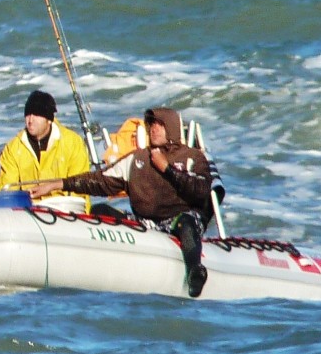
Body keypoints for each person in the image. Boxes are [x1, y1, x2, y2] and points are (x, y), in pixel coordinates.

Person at [29, 106, 218, 298]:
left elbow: (201, 191)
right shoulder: (138, 159)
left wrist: (167, 169)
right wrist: (57, 184)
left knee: (187, 223)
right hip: (146, 221)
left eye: (160, 125)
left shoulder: (192, 157)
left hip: (181, 218)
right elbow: (100, 180)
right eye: (151, 124)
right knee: (100, 210)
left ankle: (195, 271)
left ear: (171, 127)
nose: (153, 129)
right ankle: (82, 265)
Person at [0, 90, 91, 196]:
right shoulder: (13, 148)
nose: (30, 120)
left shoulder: (73, 143)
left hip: (66, 207)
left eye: (37, 115)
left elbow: (80, 188)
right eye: (28, 114)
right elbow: (6, 191)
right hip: (29, 208)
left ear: (49, 119)